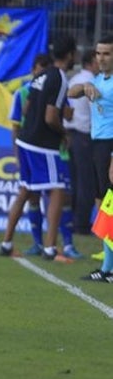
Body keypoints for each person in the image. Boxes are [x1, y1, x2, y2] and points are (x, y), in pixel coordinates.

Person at [0, 37, 73, 261]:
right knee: (57, 190)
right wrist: (64, 133)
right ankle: (51, 249)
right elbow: (51, 117)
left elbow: (28, 106)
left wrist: (31, 125)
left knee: (25, 190)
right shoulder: (59, 78)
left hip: (24, 139)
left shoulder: (40, 75)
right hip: (43, 144)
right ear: (71, 55)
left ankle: (6, 243)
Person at [74, 36, 113, 280]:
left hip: (109, 146)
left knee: (110, 206)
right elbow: (71, 91)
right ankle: (107, 268)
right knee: (106, 207)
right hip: (98, 144)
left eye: (107, 54)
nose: (101, 58)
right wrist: (84, 87)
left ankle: (109, 268)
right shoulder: (97, 80)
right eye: (99, 53)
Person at [65, 49, 98, 236]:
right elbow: (98, 111)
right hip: (85, 136)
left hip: (70, 134)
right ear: (90, 62)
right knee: (87, 182)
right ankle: (82, 224)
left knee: (74, 181)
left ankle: (72, 221)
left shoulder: (73, 80)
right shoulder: (91, 82)